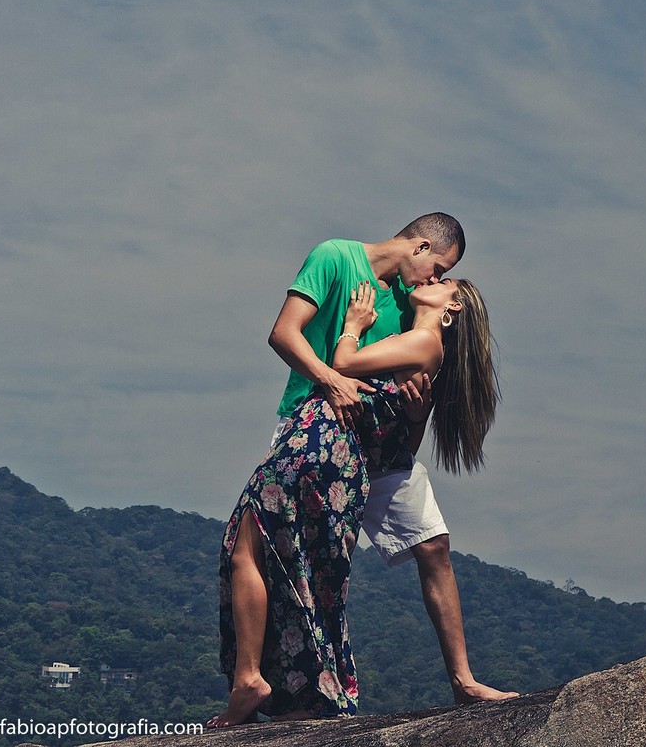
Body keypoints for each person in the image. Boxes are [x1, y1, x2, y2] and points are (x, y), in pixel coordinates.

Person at [210, 274, 498, 724]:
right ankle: (293, 692)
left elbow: (342, 361)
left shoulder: (423, 342)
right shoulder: (416, 343)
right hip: (343, 455)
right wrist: (417, 414)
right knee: (303, 570)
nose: (434, 278)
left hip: (322, 447)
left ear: (453, 308)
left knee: (252, 547)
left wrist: (354, 324)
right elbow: (401, 441)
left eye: (446, 279)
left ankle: (253, 679)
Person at [266, 214, 516, 708]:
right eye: (438, 268)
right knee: (298, 561)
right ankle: (278, 691)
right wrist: (332, 379)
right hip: (318, 432)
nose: (435, 281)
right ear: (421, 246)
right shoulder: (334, 257)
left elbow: (406, 388)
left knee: (435, 545)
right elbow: (283, 334)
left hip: (381, 448)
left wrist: (418, 409)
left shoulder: (411, 299)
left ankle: (464, 681)